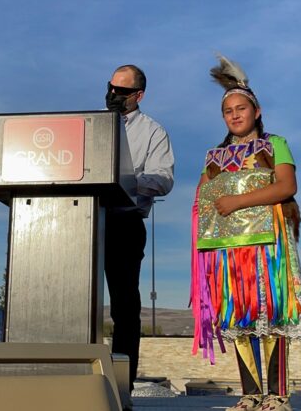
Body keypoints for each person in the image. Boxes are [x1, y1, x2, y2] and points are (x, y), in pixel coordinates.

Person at [191, 56, 301, 411]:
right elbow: (204, 197)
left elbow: (286, 186)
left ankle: (277, 395)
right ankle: (250, 393)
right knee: (238, 314)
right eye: (228, 111)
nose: (235, 115)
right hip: (229, 249)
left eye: (241, 108)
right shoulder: (215, 157)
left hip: (269, 244)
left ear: (256, 111)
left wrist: (237, 200)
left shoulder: (275, 145)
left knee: (271, 312)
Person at [104, 65, 175, 395]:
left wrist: (127, 183)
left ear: (138, 96)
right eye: (110, 88)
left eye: (121, 91)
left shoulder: (153, 131)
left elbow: (164, 178)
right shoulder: (92, 125)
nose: (113, 95)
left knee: (124, 309)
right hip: (82, 221)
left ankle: (121, 388)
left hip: (124, 224)